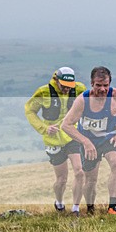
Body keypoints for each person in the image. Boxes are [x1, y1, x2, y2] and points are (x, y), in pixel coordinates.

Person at [61, 66, 116, 215]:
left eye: (106, 85)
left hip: (108, 138)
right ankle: (90, 208)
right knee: (91, 179)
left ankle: (113, 207)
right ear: (92, 84)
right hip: (89, 141)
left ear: (110, 84)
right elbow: (66, 125)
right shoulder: (83, 100)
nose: (102, 89)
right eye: (98, 85)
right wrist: (85, 142)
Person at [24, 67, 88, 216]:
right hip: (53, 140)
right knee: (61, 179)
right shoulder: (43, 92)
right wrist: (44, 128)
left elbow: (88, 105)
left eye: (69, 86)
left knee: (79, 172)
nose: (66, 89)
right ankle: (59, 202)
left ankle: (75, 209)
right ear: (56, 80)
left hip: (73, 135)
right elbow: (29, 110)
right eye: (64, 85)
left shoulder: (80, 89)